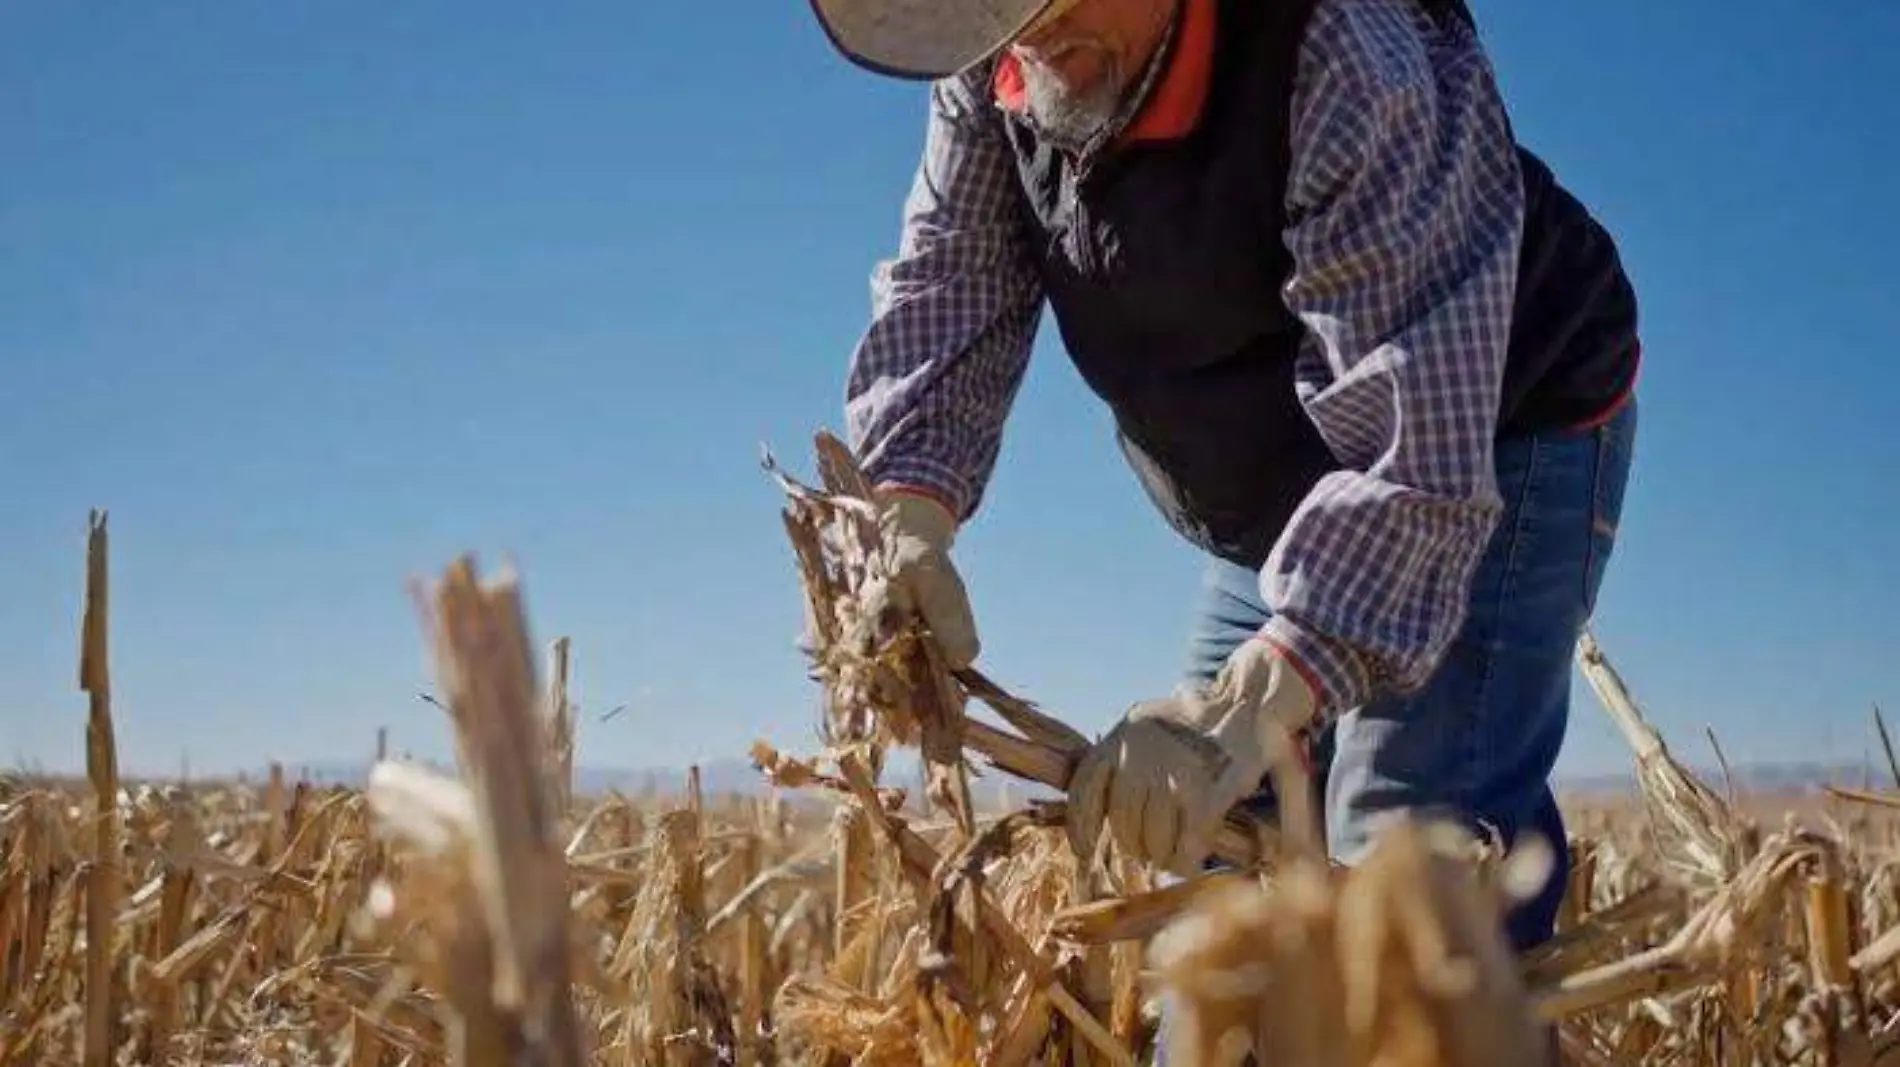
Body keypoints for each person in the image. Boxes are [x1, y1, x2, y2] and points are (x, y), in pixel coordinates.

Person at [812, 0, 1640, 957]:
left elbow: (1415, 462)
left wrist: (1247, 705)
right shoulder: (995, 53)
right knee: (1214, 902)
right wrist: (906, 517)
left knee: (1408, 878)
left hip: (1489, 426)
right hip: (1282, 481)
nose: (1031, 38)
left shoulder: (1345, 51)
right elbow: (950, 281)